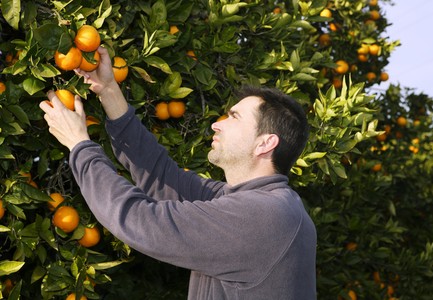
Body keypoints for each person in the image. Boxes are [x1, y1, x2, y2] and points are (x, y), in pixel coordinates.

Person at [40, 46, 317, 299]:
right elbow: (162, 176)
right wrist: (108, 89)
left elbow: (139, 219)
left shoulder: (264, 216)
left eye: (234, 117)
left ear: (265, 143)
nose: (216, 126)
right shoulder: (250, 201)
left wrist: (80, 145)